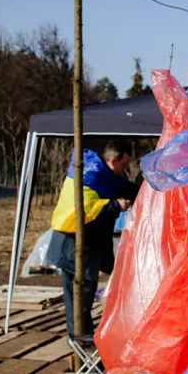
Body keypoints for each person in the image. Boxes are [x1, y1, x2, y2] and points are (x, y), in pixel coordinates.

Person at [47, 140, 136, 339]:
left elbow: (123, 187)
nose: (125, 169)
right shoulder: (89, 176)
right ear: (113, 161)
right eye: (124, 164)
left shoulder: (106, 176)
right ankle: (81, 341)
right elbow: (83, 210)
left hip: (87, 246)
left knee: (85, 295)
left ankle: (83, 337)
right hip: (72, 246)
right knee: (79, 299)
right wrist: (114, 205)